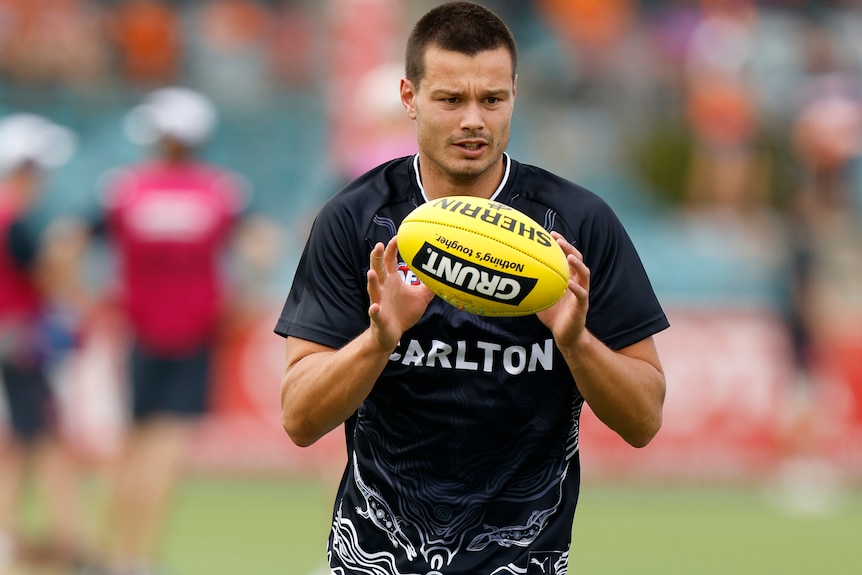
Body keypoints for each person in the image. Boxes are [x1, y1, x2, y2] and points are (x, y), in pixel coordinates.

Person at [274, 3, 669, 574]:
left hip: (522, 561)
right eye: (450, 100)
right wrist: (380, 339)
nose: (473, 121)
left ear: (515, 93)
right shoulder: (353, 221)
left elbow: (644, 421)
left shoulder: (579, 224)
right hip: (377, 558)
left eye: (491, 99)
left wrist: (576, 341)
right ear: (409, 97)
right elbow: (298, 418)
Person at [89, 86, 269, 575]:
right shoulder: (221, 192)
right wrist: (245, 297)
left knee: (131, 444)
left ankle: (111, 551)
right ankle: (139, 556)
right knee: (166, 450)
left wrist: (82, 297)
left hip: (140, 330)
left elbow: (69, 245)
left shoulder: (124, 189)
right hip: (193, 333)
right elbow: (261, 248)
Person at [0, 113, 89, 572]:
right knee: (44, 436)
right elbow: (46, 277)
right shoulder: (16, 221)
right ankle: (70, 539)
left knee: (23, 438)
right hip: (21, 344)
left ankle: (16, 531)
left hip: (13, 342)